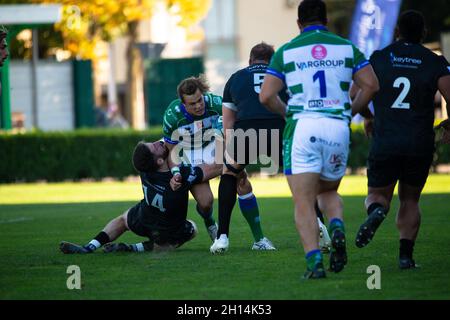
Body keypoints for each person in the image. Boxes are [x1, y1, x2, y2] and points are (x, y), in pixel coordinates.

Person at [259, 0, 379, 279]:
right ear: (325, 20)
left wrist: (287, 111)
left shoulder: (287, 50)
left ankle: (315, 265)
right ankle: (336, 226)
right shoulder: (347, 47)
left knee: (303, 201)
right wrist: (349, 112)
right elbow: (372, 85)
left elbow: (266, 96)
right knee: (328, 191)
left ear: (299, 23)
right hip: (337, 126)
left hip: (303, 126)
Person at [210, 42, 330, 254]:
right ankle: (320, 225)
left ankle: (222, 238)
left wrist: (231, 154)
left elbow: (228, 123)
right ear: (272, 60)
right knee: (300, 179)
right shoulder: (284, 74)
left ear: (250, 61)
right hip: (279, 129)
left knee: (229, 174)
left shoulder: (236, 77)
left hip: (246, 130)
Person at [353, 10, 450, 269]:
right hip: (419, 141)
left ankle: (377, 212)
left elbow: (356, 91)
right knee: (410, 200)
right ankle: (406, 257)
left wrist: (367, 116)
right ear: (423, 33)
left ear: (397, 31)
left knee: (377, 195)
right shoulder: (434, 61)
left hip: (386, 140)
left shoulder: (379, 58)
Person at [163, 76, 275, 251]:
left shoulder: (216, 103)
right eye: (192, 104)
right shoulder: (172, 115)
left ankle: (259, 239)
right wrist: (176, 172)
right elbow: (170, 151)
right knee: (206, 202)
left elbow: (229, 135)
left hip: (212, 145)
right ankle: (209, 220)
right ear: (183, 104)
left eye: (199, 100)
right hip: (189, 153)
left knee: (241, 179)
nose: (198, 106)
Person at [60, 140, 222, 254]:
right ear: (159, 160)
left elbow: (156, 153)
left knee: (123, 220)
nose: (158, 142)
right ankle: (134, 248)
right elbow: (214, 168)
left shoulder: (145, 171)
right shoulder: (181, 177)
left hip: (145, 217)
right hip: (169, 230)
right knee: (192, 228)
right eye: (154, 146)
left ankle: (90, 247)